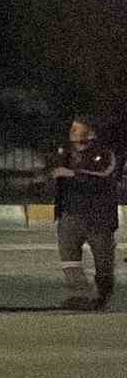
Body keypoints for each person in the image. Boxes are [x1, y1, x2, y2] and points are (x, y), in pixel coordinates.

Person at [52, 114, 118, 309]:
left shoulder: (104, 154)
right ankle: (80, 295)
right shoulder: (64, 153)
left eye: (77, 128)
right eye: (72, 127)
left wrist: (73, 174)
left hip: (98, 217)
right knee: (69, 258)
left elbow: (104, 177)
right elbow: (53, 174)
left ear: (91, 133)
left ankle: (102, 294)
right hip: (69, 214)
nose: (72, 131)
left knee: (103, 262)